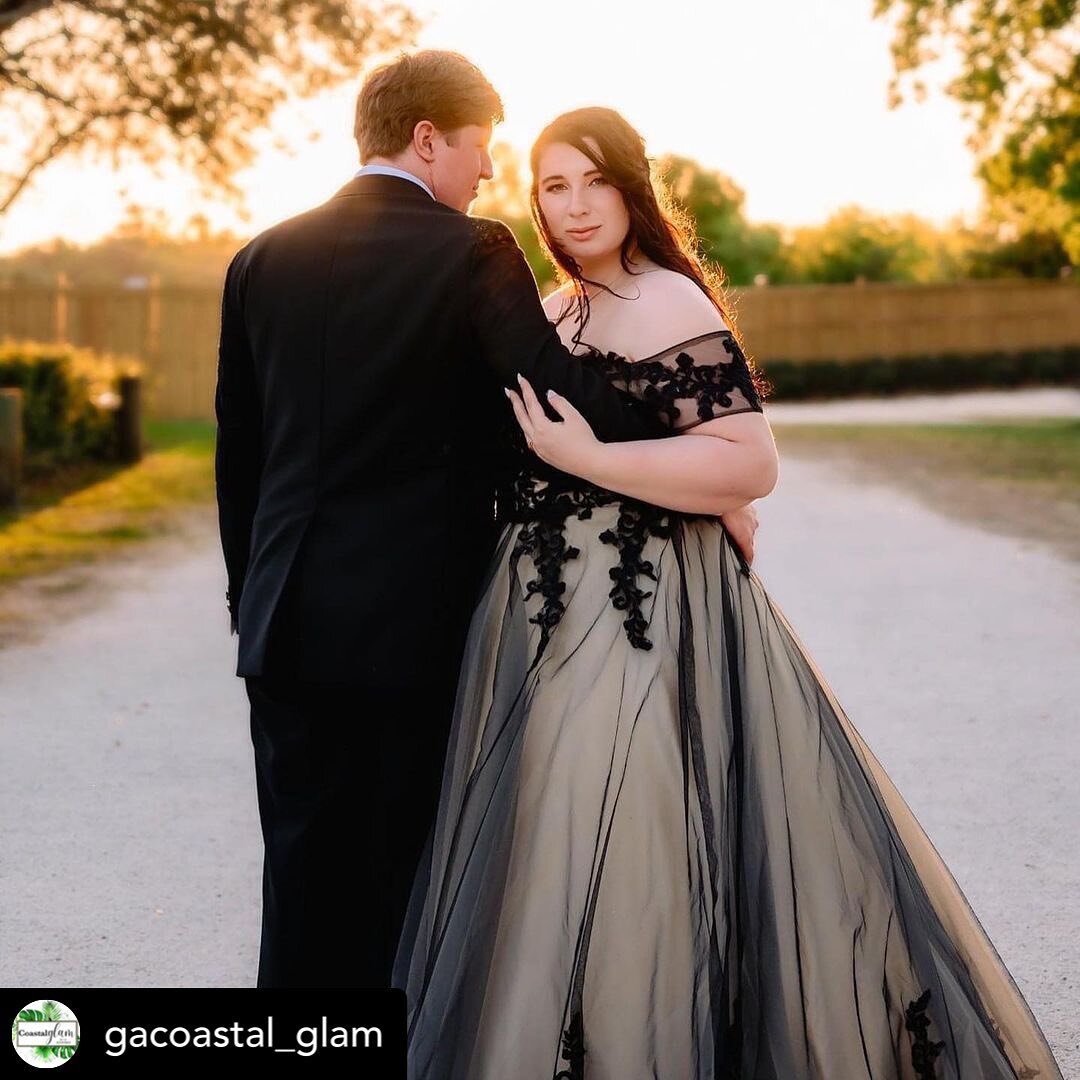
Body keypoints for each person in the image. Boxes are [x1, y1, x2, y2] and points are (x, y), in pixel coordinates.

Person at [391, 107, 1065, 1079]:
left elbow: (748, 463)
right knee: (554, 847)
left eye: (592, 182)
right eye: (552, 186)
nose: (574, 207)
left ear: (631, 190)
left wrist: (596, 459)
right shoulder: (555, 309)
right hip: (541, 608)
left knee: (639, 848)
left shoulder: (670, 302)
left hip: (640, 611)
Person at [214, 53, 758, 989]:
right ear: (428, 139)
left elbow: (242, 456)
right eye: (481, 150)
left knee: (300, 881)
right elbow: (557, 399)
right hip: (409, 628)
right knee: (403, 884)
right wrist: (694, 445)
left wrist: (249, 595)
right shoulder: (471, 250)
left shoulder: (260, 258)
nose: (486, 174)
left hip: (283, 624)